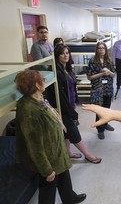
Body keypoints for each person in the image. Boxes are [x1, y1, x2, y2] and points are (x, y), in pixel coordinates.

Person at [14, 70, 86, 204]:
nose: (44, 80)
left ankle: (69, 197)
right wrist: (47, 170)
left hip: (55, 150)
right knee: (49, 185)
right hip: (47, 157)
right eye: (41, 79)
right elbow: (34, 146)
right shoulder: (29, 111)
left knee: (64, 174)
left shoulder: (37, 99)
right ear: (36, 84)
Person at [47, 44, 102, 164]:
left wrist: (74, 103)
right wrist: (71, 112)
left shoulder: (66, 69)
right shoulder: (56, 72)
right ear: (57, 55)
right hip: (62, 108)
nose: (65, 55)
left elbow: (72, 88)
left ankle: (68, 153)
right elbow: (60, 97)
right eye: (62, 53)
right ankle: (87, 155)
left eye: (67, 53)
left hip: (69, 104)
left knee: (66, 131)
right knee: (73, 131)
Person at [86, 42, 115, 140]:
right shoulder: (92, 61)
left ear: (106, 50)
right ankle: (100, 129)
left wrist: (109, 72)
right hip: (97, 89)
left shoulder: (109, 61)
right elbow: (89, 77)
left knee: (107, 109)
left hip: (108, 89)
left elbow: (113, 75)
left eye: (103, 48)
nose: (101, 50)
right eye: (99, 48)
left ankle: (105, 123)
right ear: (96, 50)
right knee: (99, 110)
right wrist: (101, 73)